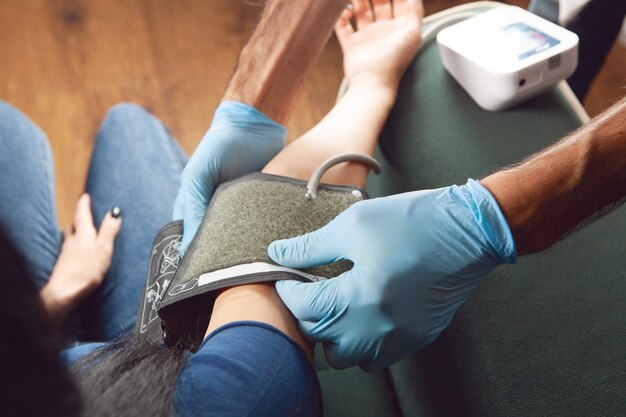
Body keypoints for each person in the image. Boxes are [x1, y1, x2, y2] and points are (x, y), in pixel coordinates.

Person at [1, 0, 424, 415]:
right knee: (130, 128)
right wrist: (372, 81)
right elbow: (276, 217)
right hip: (153, 380)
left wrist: (50, 302)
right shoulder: (234, 398)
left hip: (40, 357)